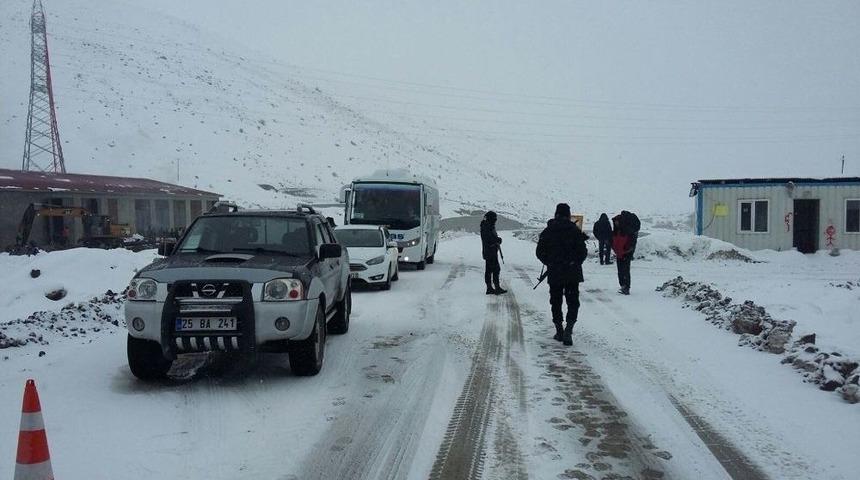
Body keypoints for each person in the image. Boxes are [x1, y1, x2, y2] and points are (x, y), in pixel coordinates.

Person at [536, 203, 588, 346]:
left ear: (556, 214)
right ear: (568, 214)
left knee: (556, 301)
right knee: (572, 302)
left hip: (555, 272)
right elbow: (583, 252)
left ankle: (559, 330)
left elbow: (539, 252)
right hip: (572, 273)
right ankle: (569, 330)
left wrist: (550, 262)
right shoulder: (575, 230)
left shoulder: (548, 230)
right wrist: (574, 263)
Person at [611, 210, 640, 295]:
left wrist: (621, 249)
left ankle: (625, 287)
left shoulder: (624, 230)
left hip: (624, 252)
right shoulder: (628, 230)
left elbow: (618, 240)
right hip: (625, 251)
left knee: (623, 269)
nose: (615, 224)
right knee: (624, 269)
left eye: (616, 222)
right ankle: (625, 286)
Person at [480, 211, 507, 295]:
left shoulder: (486, 226)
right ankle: (496, 288)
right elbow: (489, 239)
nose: (495, 220)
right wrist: (497, 240)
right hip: (490, 251)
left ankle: (490, 288)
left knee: (489, 270)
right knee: (495, 269)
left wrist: (496, 239)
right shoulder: (487, 227)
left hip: (490, 251)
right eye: (494, 219)